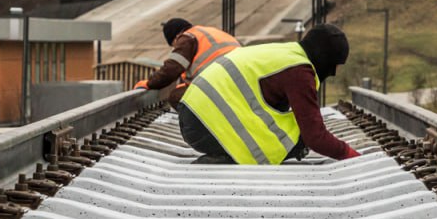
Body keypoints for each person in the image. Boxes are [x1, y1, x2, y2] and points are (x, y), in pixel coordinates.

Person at [178, 23, 360, 164]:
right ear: (325, 59)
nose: (334, 73)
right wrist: (351, 155)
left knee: (290, 130)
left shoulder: (285, 54)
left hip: (194, 116)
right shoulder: (299, 72)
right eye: (335, 66)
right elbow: (315, 136)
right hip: (205, 125)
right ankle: (228, 159)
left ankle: (226, 154)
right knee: (293, 140)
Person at [133, 17, 239, 105]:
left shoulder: (187, 38)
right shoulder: (207, 32)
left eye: (174, 46)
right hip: (239, 78)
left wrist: (149, 83)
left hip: (220, 83)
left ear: (176, 38)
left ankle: (199, 129)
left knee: (177, 97)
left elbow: (171, 69)